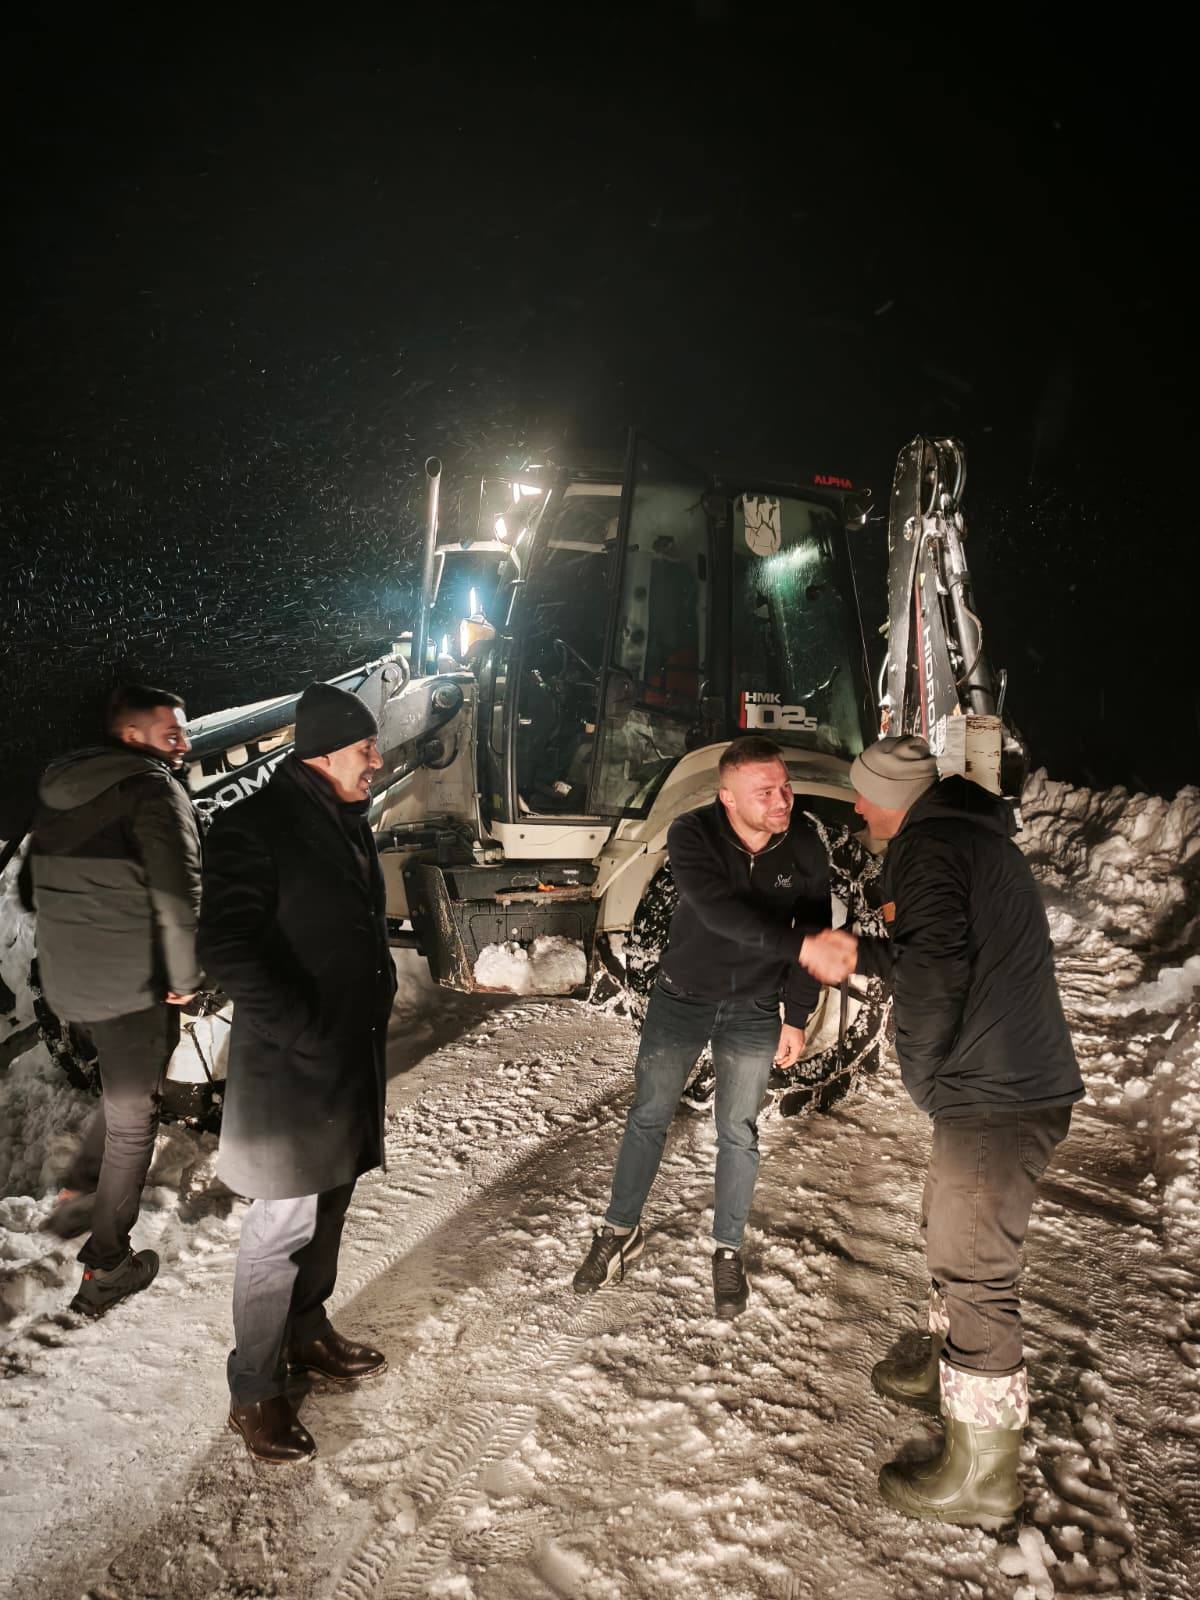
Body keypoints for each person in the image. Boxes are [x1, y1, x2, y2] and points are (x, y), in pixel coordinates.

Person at [848, 735, 1084, 1527]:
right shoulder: (962, 837)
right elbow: (942, 948)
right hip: (1005, 1076)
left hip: (996, 1089)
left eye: (863, 793)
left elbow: (935, 974)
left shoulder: (927, 848)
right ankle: (948, 1374)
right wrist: (864, 953)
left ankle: (982, 1478)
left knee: (975, 1263)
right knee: (949, 1231)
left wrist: (925, 1079)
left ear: (892, 797)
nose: (856, 807)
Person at [572, 735, 856, 1318]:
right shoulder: (692, 833)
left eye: (785, 787)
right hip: (682, 999)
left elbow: (815, 931)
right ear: (727, 797)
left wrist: (796, 1017)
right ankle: (619, 1230)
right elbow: (721, 913)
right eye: (765, 792)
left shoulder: (804, 842)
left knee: (739, 1131)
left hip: (754, 1007)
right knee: (649, 1116)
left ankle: (728, 1250)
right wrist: (801, 946)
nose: (783, 801)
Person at [198, 682, 396, 1464]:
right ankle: (254, 1388)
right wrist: (301, 1027)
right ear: (323, 752)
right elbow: (226, 945)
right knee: (279, 1227)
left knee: (332, 1202)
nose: (377, 761)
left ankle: (307, 1333)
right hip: (291, 1066)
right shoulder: (254, 825)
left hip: (345, 1055)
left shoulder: (344, 817)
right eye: (366, 748)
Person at [26, 684, 202, 1316]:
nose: (185, 743)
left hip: (71, 982)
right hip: (129, 984)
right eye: (171, 733)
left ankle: (81, 1197)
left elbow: (33, 889)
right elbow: (178, 895)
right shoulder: (154, 790)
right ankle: (106, 1267)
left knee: (122, 1096)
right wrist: (184, 974)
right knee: (134, 1120)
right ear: (131, 735)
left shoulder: (60, 789)